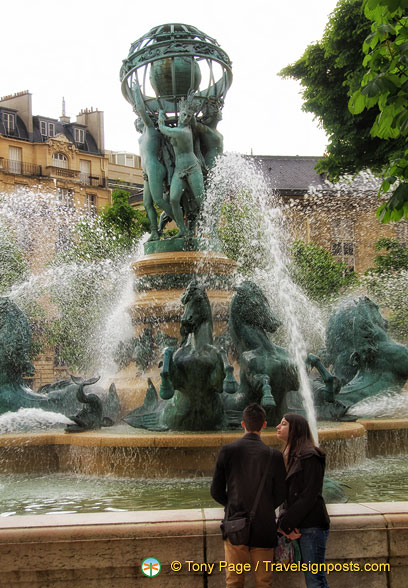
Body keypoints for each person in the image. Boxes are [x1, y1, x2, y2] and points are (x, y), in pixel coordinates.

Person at [211, 403, 286, 587]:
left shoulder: (228, 451)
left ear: (242, 424)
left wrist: (232, 505)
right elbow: (281, 494)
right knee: (264, 582)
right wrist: (265, 507)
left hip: (235, 527)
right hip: (264, 528)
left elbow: (216, 491)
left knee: (234, 582)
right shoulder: (274, 455)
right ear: (264, 425)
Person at [276, 413, 331, 588]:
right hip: (301, 525)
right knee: (315, 580)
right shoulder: (291, 455)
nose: (278, 427)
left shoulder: (310, 456)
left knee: (315, 580)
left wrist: (286, 524)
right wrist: (286, 525)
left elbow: (309, 495)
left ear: (295, 429)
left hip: (312, 526)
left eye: (283, 424)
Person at [158, 97, 205, 238]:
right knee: (173, 200)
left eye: (189, 116)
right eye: (184, 114)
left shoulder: (184, 131)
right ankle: (182, 229)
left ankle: (208, 228)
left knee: (200, 200)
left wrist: (161, 115)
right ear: (181, 113)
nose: (185, 118)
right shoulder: (180, 129)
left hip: (192, 167)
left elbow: (162, 128)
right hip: (179, 170)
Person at [133, 84, 174, 241]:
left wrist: (137, 93)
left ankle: (183, 227)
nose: (138, 120)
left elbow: (142, 111)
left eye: (140, 119)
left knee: (158, 200)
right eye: (137, 120)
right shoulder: (141, 137)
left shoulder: (151, 130)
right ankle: (155, 232)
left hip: (155, 168)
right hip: (146, 172)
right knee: (147, 203)